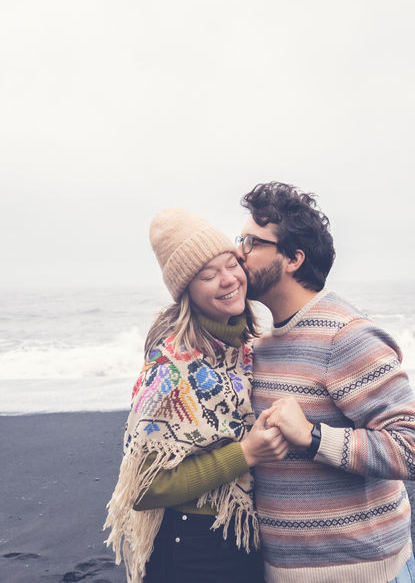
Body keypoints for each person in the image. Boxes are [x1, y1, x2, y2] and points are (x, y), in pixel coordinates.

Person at [236, 182, 415, 583]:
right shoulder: (261, 341)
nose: (236, 252)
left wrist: (313, 436)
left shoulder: (345, 336)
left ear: (293, 258)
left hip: (360, 571)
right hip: (283, 571)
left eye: (251, 242)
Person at [105, 208, 289, 583]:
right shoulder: (170, 366)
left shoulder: (244, 349)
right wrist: (247, 453)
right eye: (208, 275)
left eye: (231, 264)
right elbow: (145, 487)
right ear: (187, 289)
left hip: (242, 532)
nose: (228, 280)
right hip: (191, 547)